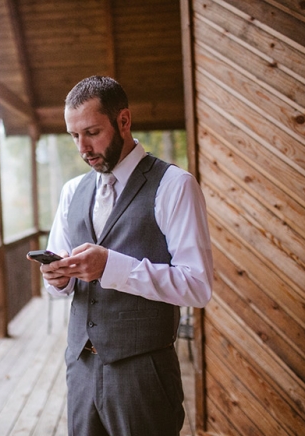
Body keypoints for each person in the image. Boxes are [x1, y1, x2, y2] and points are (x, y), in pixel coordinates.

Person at [33, 76, 213, 435]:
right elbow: (58, 289)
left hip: (143, 372)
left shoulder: (174, 185)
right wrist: (58, 278)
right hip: (81, 368)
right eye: (74, 136)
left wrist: (110, 266)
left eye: (92, 132)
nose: (83, 147)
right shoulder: (72, 192)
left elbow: (198, 286)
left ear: (124, 121)